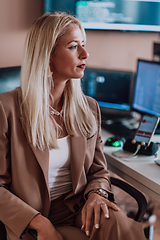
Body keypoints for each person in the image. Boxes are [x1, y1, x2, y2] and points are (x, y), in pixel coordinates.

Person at [0, 12, 146, 240]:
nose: (85, 54)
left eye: (83, 45)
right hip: (32, 218)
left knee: (120, 225)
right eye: (73, 46)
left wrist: (97, 194)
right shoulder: (6, 108)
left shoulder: (88, 107)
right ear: (47, 54)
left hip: (79, 208)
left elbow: (98, 170)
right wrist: (38, 222)